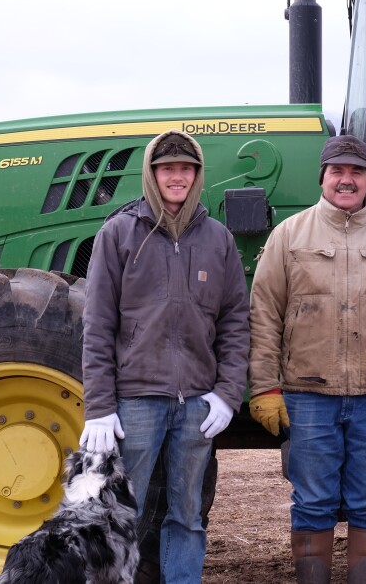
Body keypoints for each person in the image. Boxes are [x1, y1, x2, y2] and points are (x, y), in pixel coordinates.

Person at [248, 134, 366, 584]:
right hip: (308, 396)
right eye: (338, 171)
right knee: (312, 503)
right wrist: (264, 387)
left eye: (356, 172)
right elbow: (264, 316)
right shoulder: (289, 236)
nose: (346, 180)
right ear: (323, 177)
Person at [80, 129, 250, 583]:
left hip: (197, 402)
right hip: (136, 401)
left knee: (188, 513)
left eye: (186, 169)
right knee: (121, 514)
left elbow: (236, 322)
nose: (177, 177)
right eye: (167, 168)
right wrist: (99, 407)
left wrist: (229, 394)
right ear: (152, 174)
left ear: (197, 175)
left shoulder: (219, 240)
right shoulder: (118, 234)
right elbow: (97, 325)